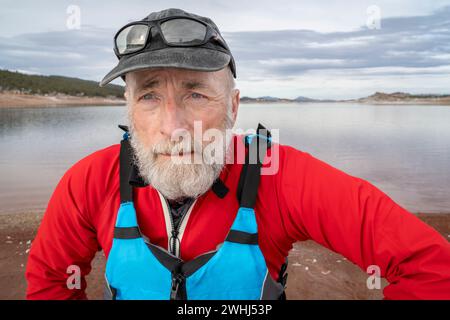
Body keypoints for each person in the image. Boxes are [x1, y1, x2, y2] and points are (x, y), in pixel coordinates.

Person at [25, 8, 450, 300]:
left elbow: (431, 267)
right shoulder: (89, 181)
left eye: (195, 93)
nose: (173, 127)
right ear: (129, 109)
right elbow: (48, 280)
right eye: (149, 95)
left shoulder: (277, 175)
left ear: (233, 106)